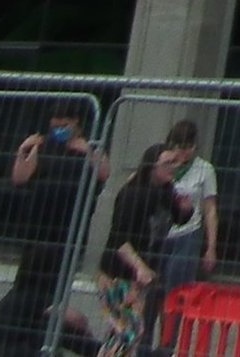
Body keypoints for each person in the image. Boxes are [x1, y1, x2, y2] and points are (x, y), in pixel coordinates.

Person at [0, 107, 109, 357]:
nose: (59, 126)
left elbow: (104, 173)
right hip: (38, 229)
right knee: (32, 287)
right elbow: (19, 178)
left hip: (67, 232)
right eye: (56, 121)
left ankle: (53, 335)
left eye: (65, 122)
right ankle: (37, 332)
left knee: (57, 285)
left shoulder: (88, 148)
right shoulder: (44, 147)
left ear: (77, 123)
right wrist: (24, 150)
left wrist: (88, 150)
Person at [98, 143, 180, 357]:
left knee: (128, 332)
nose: (173, 167)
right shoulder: (133, 194)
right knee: (127, 331)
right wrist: (140, 267)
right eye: (168, 163)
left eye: (175, 162)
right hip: (118, 273)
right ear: (152, 166)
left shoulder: (165, 191)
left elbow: (179, 216)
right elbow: (119, 239)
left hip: (140, 275)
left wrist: (185, 206)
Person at [152, 118, 220, 347]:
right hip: (159, 235)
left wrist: (211, 247)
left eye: (187, 147)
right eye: (178, 146)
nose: (182, 152)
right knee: (154, 291)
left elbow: (210, 210)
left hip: (187, 235)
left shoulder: (204, 169)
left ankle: (167, 343)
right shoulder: (163, 164)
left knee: (175, 292)